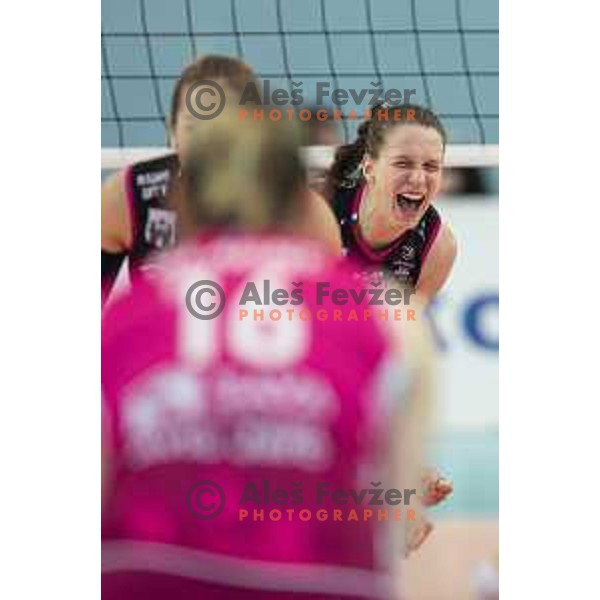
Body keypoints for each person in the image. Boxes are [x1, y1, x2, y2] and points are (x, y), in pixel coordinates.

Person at [102, 110, 437, 599]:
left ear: (186, 205)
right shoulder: (387, 315)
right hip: (322, 580)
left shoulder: (124, 320)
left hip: (154, 576)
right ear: (303, 201)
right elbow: (401, 517)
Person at [101, 54, 341, 304]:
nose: (209, 147)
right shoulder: (129, 195)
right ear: (172, 132)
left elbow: (333, 320)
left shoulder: (306, 215)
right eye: (195, 128)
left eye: (224, 131)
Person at [324, 103, 457, 301]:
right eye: (403, 164)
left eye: (431, 166)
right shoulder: (320, 211)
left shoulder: (439, 246)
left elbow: (402, 327)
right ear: (369, 169)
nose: (418, 179)